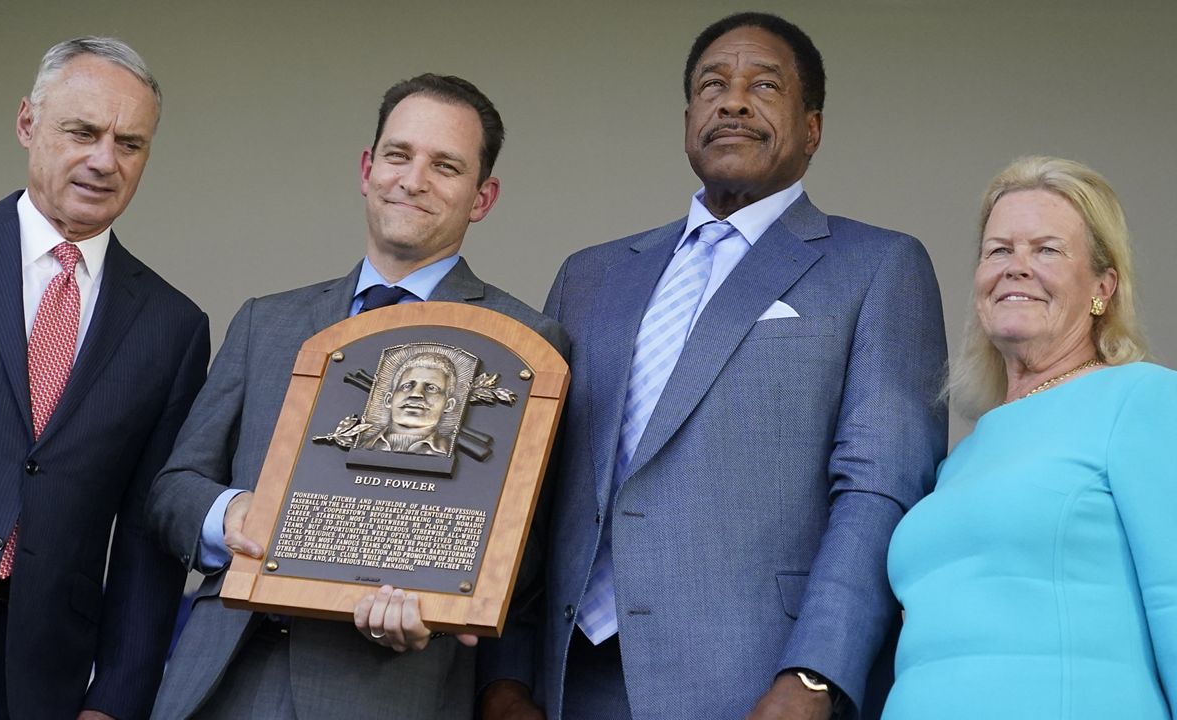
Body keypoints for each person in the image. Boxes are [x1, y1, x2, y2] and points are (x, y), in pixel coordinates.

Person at [479, 12, 947, 720]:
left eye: (764, 84)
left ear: (812, 129)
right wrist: (506, 674)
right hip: (572, 680)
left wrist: (816, 673)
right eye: (712, 85)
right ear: (689, 117)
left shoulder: (877, 267)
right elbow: (534, 488)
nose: (733, 100)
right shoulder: (591, 277)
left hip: (758, 683)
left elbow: (880, 489)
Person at [146, 73, 567, 720]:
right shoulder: (268, 322)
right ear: (368, 168)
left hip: (385, 687)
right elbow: (174, 488)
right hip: (218, 678)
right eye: (398, 155)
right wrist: (231, 516)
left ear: (482, 198)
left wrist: (437, 598)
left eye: (445, 165)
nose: (413, 179)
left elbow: (532, 551)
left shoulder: (524, 345)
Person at [0, 37, 209, 720]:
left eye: (130, 144)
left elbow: (145, 543)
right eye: (83, 132)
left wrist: (116, 700)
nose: (105, 160)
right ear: (26, 124)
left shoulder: (173, 326)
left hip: (35, 677)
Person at [884, 156, 1177, 719]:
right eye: (999, 250)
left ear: (1102, 287)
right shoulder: (959, 460)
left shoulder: (1141, 399)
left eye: (1047, 249)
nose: (1016, 267)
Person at [361, 351, 462, 455]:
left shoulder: (451, 451)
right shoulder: (363, 446)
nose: (416, 394)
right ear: (389, 400)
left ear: (448, 405)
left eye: (432, 388)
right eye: (407, 386)